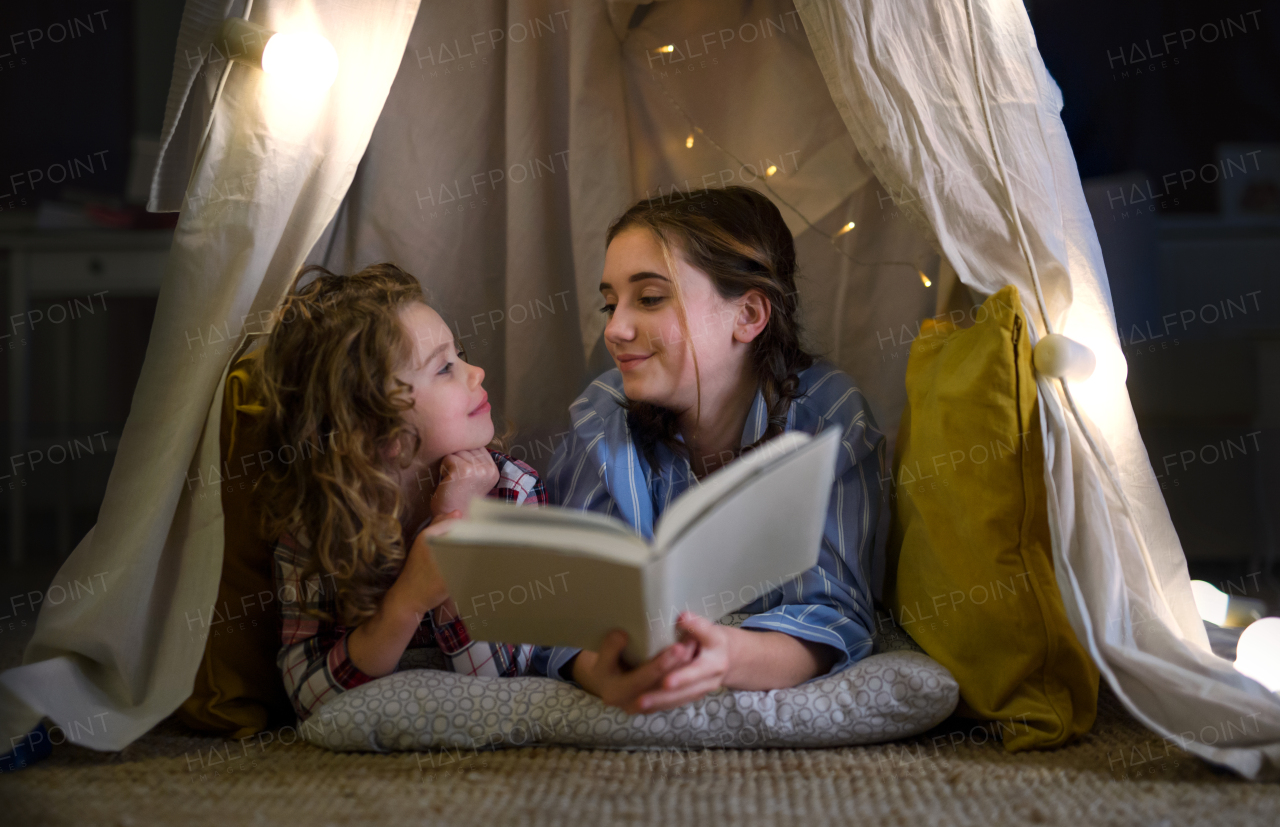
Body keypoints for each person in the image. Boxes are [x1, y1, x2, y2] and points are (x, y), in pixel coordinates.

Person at [534, 187, 884, 714]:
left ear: (747, 315)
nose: (615, 329)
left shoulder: (830, 417)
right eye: (610, 303)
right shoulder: (601, 416)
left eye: (649, 298)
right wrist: (600, 673)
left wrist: (728, 656)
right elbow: (566, 613)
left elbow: (834, 615)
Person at [252, 263, 544, 721]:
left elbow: (503, 686)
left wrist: (456, 528)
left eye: (460, 354)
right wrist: (407, 601)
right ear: (377, 430)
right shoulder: (315, 522)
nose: (476, 372)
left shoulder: (514, 492)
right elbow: (309, 700)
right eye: (445, 368)